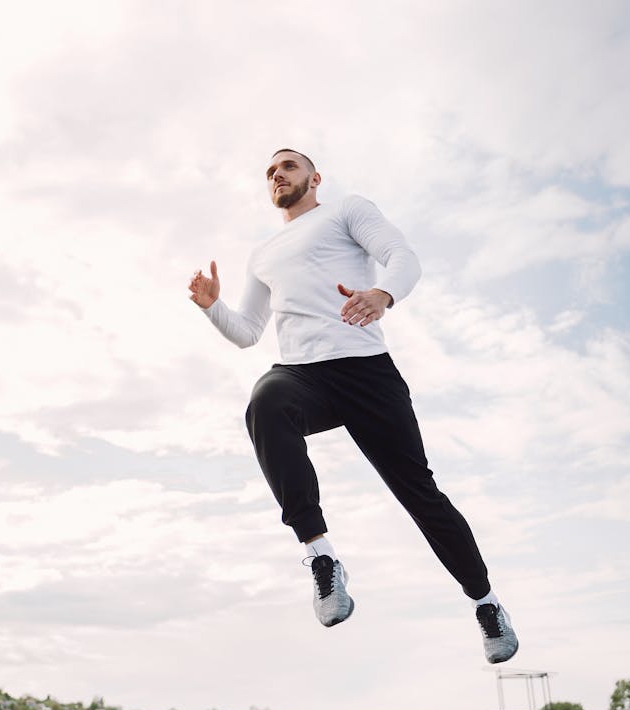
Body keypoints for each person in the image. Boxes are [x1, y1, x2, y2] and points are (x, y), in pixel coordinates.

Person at [187, 148, 518, 664]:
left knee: (420, 494)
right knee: (265, 402)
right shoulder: (263, 253)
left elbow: (403, 257)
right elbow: (249, 333)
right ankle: (321, 557)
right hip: (304, 376)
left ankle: (486, 602)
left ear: (314, 178)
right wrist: (213, 309)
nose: (278, 175)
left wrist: (383, 295)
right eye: (270, 172)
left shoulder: (347, 211)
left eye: (288, 167)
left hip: (365, 369)